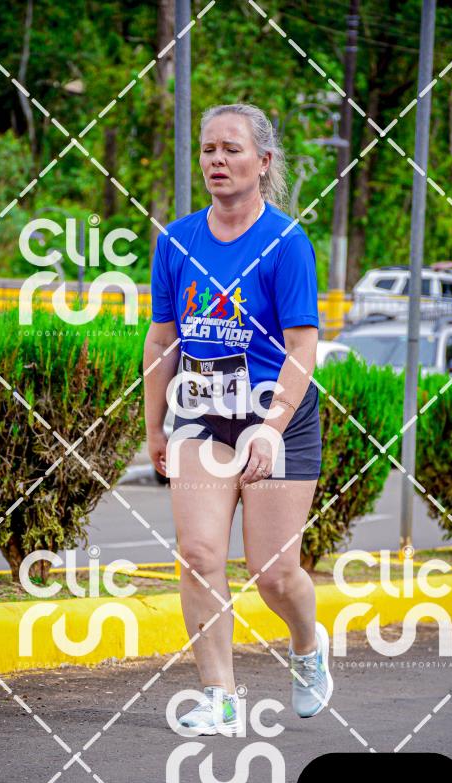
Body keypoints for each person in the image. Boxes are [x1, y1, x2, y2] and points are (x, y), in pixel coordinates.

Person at [143, 103, 332, 735]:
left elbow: (302, 348)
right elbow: (162, 339)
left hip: (276, 415)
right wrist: (154, 426)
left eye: (231, 149)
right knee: (198, 553)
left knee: (272, 573)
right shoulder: (176, 241)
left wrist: (271, 428)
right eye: (208, 150)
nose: (217, 161)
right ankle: (219, 697)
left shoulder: (286, 243)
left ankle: (306, 646)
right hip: (202, 414)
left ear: (263, 161)